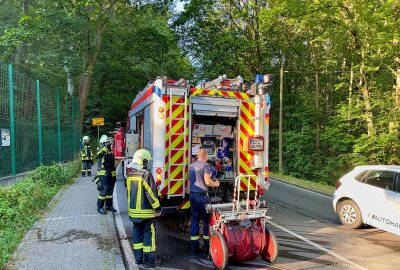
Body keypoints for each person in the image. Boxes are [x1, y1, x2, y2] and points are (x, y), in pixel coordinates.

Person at [126, 149, 161, 268]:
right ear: (144, 162)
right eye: (147, 161)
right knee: (148, 237)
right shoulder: (146, 174)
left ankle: (138, 259)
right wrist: (157, 208)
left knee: (137, 237)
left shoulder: (130, 175)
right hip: (146, 213)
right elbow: (150, 193)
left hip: (134, 213)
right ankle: (149, 262)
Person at [189, 148, 220, 253]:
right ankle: (207, 246)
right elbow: (207, 182)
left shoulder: (191, 166)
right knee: (207, 220)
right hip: (202, 197)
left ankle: (194, 246)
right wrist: (216, 184)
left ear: (198, 156)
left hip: (192, 196)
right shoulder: (205, 166)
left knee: (195, 219)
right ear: (206, 156)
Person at [95, 136, 117, 215]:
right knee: (103, 192)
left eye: (110, 142)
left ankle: (108, 206)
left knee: (110, 192)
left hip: (111, 175)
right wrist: (105, 147)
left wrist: (114, 176)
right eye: (107, 142)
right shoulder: (102, 151)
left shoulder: (110, 152)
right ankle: (99, 207)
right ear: (103, 143)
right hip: (104, 176)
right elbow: (99, 155)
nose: (110, 144)